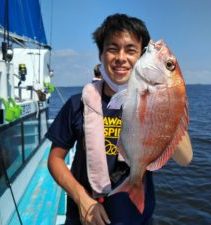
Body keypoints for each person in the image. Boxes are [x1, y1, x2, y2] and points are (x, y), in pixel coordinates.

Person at [46, 13, 192, 225]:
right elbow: (55, 159)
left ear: (142, 56)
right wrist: (81, 198)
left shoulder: (151, 100)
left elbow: (185, 159)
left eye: (131, 50)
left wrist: (170, 102)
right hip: (84, 216)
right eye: (112, 49)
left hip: (136, 216)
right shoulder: (77, 104)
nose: (121, 57)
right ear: (101, 55)